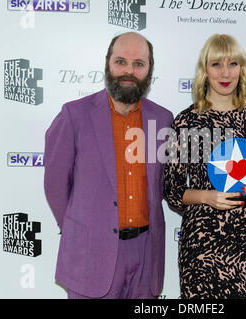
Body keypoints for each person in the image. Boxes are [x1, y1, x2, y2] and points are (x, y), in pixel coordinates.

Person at [44, 32, 174, 299]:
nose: (129, 71)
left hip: (146, 256)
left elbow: (164, 183)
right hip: (91, 253)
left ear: (149, 70)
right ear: (107, 63)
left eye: (139, 63)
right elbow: (55, 185)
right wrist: (81, 228)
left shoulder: (163, 119)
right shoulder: (74, 115)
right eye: (121, 61)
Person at [163, 34, 246, 299]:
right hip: (204, 247)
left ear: (241, 68)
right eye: (216, 64)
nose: (225, 73)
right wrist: (208, 197)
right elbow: (172, 190)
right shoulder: (186, 122)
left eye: (233, 63)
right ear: (204, 70)